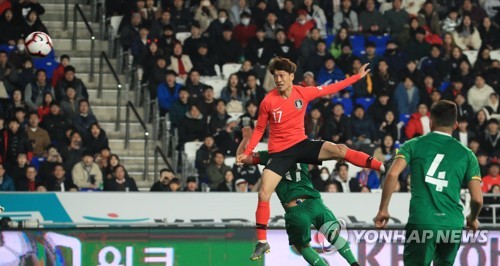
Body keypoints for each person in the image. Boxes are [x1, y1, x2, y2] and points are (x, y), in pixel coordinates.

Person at [236, 57, 389, 259]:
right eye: (275, 77)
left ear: (291, 76)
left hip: (301, 144)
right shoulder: (268, 101)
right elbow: (259, 129)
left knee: (340, 150)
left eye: (282, 75)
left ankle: (384, 167)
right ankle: (262, 242)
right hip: (280, 152)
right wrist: (249, 149)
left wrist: (356, 77)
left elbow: (331, 88)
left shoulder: (303, 92)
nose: (278, 80)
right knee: (263, 192)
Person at [375, 100, 483, 265]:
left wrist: (383, 209)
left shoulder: (413, 145)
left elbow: (392, 174)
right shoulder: (468, 155)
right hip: (452, 224)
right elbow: (477, 199)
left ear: (431, 122)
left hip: (422, 221)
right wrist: (472, 218)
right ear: (455, 124)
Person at [237, 127, 360, 265]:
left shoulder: (269, 156)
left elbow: (242, 158)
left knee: (302, 246)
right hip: (315, 203)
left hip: (294, 208)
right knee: (333, 235)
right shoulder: (304, 152)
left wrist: (246, 139)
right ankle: (355, 263)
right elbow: (333, 152)